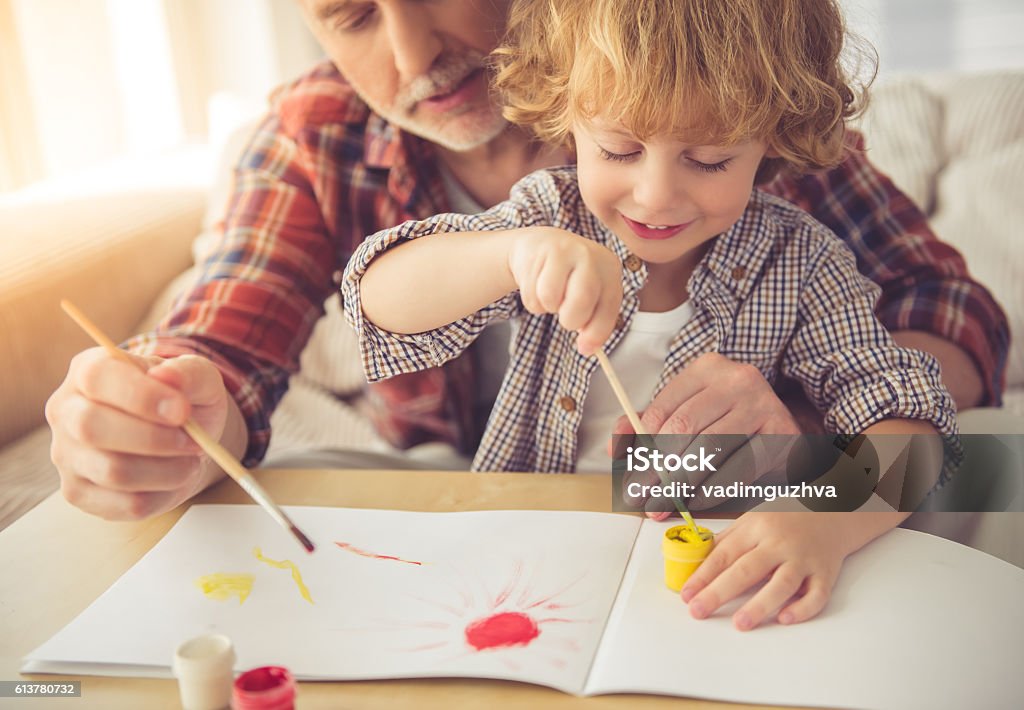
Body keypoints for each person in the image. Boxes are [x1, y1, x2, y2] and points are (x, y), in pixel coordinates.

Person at [44, 0, 1006, 522]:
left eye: (708, 161)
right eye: (351, 15)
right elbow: (249, 339)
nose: (413, 52)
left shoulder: (730, 81)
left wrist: (806, 442)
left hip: (710, 524)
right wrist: (162, 410)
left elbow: (943, 318)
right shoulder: (319, 137)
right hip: (503, 521)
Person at [341, 0, 960, 629]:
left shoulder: (805, 262)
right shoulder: (547, 217)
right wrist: (509, 255)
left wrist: (825, 520)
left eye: (710, 160)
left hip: (715, 575)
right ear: (568, 119)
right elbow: (377, 300)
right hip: (528, 564)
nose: (656, 195)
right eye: (617, 150)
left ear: (773, 134)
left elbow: (914, 435)